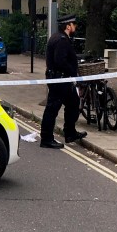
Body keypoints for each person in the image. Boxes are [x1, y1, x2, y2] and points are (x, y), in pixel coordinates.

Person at [40, 15, 87, 149]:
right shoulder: (61, 40)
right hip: (59, 80)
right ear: (68, 26)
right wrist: (73, 70)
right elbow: (60, 61)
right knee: (52, 109)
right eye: (74, 24)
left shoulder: (59, 38)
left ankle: (70, 133)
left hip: (62, 79)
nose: (75, 27)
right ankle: (46, 138)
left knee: (73, 103)